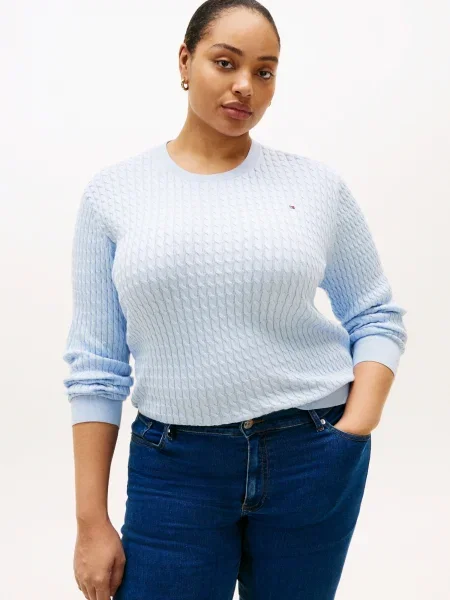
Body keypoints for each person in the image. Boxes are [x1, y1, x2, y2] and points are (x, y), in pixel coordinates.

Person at [62, 1, 408, 598]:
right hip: (175, 467)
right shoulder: (114, 195)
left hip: (311, 451)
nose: (246, 85)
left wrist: (356, 427)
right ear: (185, 61)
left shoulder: (314, 187)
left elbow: (375, 314)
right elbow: (97, 365)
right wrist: (90, 522)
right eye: (226, 62)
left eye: (264, 71)